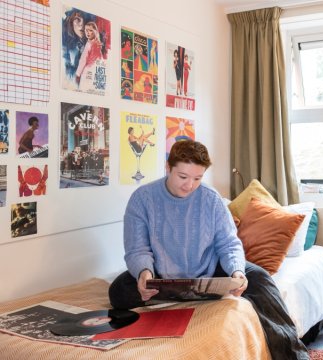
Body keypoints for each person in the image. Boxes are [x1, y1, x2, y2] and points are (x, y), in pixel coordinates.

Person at [109, 140, 308, 359]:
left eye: (197, 178)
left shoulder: (211, 198)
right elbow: (137, 248)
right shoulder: (142, 198)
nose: (190, 185)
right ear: (168, 168)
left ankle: (294, 355)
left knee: (259, 278)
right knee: (119, 291)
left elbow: (229, 243)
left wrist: (236, 272)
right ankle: (188, 295)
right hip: (161, 275)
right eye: (183, 177)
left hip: (208, 270)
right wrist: (144, 274)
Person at [74, 22, 103, 87]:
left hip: (87, 72)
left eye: (90, 30)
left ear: (95, 32)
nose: (88, 32)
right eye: (86, 30)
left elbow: (83, 60)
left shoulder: (89, 44)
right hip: (95, 73)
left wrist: (78, 74)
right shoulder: (98, 44)